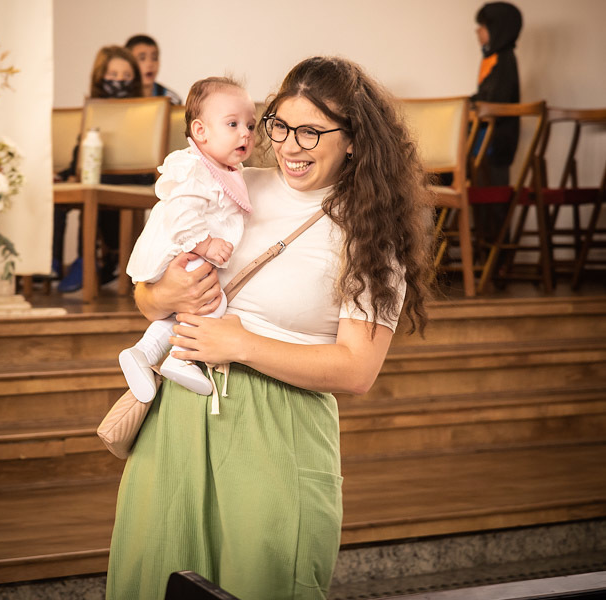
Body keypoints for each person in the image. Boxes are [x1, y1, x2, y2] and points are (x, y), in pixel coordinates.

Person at [106, 56, 433, 600]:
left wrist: (241, 344)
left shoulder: (372, 233)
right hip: (178, 422)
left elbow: (357, 370)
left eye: (311, 131)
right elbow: (149, 292)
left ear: (353, 139)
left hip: (277, 435)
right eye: (280, 126)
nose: (288, 146)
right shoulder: (229, 186)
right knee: (153, 579)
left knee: (262, 583)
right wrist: (164, 294)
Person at [119, 77, 256, 404]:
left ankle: (142, 353)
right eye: (233, 124)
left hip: (188, 249)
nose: (245, 133)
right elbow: (180, 214)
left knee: (185, 308)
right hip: (181, 249)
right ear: (200, 131)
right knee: (212, 303)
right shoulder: (193, 166)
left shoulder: (224, 169)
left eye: (251, 125)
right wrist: (206, 245)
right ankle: (181, 358)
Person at [53, 45, 150, 292]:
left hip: (136, 176)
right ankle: (53, 262)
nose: (119, 82)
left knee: (98, 183)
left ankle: (93, 259)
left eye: (126, 77)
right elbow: (81, 149)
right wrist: (67, 174)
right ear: (100, 77)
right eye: (113, 75)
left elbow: (145, 151)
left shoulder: (144, 111)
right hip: (98, 176)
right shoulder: (93, 109)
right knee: (64, 190)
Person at [470, 1, 523, 249]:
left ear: (497, 29)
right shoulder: (490, 58)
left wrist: (474, 107)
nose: (478, 31)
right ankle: (485, 250)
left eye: (482, 26)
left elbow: (496, 101)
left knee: (495, 201)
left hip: (494, 144)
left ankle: (498, 256)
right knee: (483, 201)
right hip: (482, 142)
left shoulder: (504, 59)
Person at [125, 34, 183, 105]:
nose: (150, 64)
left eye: (154, 58)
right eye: (142, 58)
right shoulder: (120, 97)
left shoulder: (171, 99)